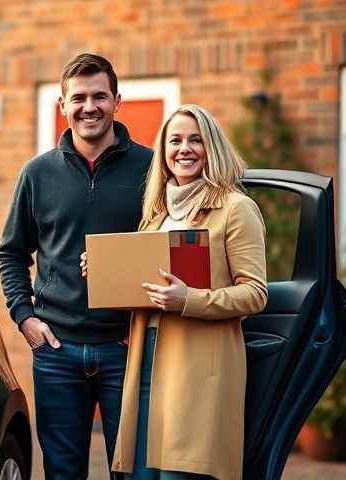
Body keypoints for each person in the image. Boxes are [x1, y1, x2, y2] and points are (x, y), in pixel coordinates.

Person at [82, 104, 267, 480]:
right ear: (163, 151)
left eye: (195, 140)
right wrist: (104, 271)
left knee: (179, 474)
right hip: (146, 359)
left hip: (197, 366)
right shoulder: (156, 214)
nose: (184, 148)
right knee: (143, 474)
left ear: (211, 147)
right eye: (175, 140)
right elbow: (143, 286)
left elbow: (254, 294)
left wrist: (189, 301)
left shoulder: (235, 208)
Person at [0, 53, 153, 479]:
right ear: (63, 106)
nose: (90, 106)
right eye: (79, 98)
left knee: (135, 472)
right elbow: (11, 253)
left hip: (129, 349)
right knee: (63, 472)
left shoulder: (153, 168)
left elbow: (168, 248)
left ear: (117, 101)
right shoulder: (37, 174)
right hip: (57, 351)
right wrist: (24, 317)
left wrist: (144, 316)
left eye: (99, 96)